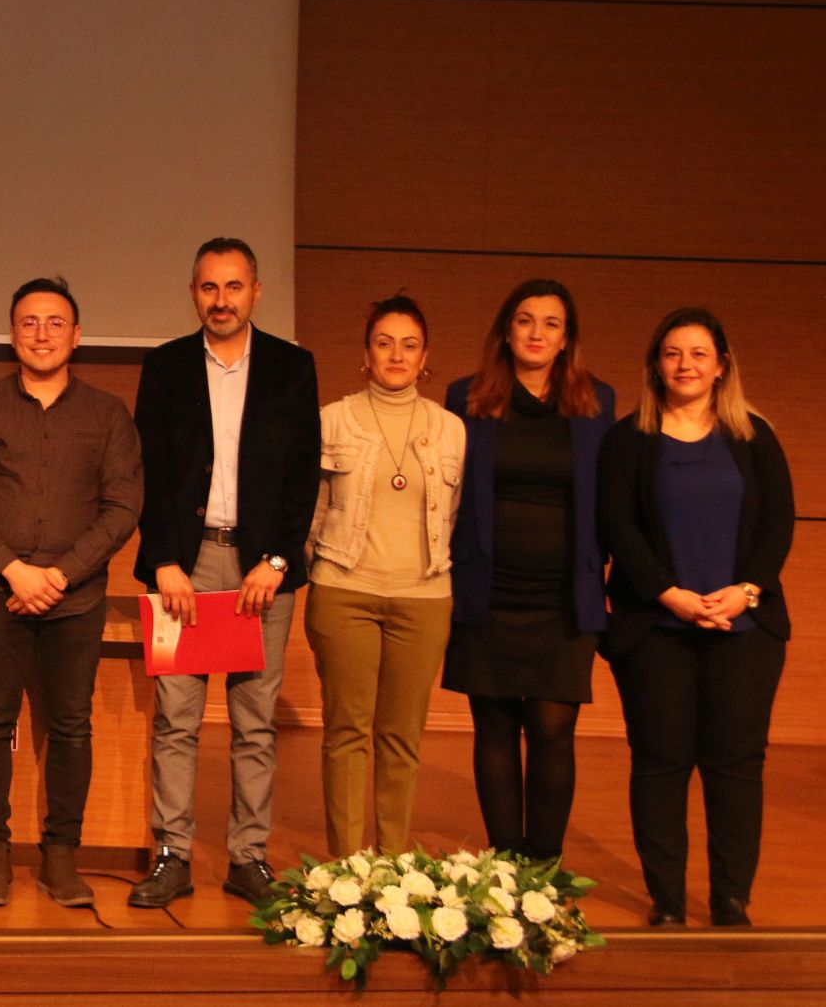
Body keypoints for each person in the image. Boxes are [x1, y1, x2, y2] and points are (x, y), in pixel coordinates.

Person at [130, 237, 319, 909]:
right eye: (209, 287)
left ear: (256, 292)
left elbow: (302, 475)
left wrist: (277, 560)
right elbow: (146, 472)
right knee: (176, 720)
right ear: (193, 293)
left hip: (260, 571)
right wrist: (163, 560)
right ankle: (172, 855)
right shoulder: (166, 366)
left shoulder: (293, 368)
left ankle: (248, 858)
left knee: (255, 722)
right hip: (184, 567)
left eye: (233, 286)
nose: (221, 300)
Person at [0, 277, 141, 908]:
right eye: (29, 322)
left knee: (72, 726)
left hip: (74, 599)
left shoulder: (108, 414)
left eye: (55, 323)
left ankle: (61, 857)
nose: (42, 334)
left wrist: (60, 574)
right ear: (12, 334)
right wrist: (12, 569)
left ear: (77, 336)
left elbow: (123, 506)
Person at [600, 308, 794, 928]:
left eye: (698, 354)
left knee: (735, 764)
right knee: (661, 761)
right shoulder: (628, 438)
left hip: (744, 629)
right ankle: (668, 902)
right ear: (656, 365)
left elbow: (777, 523)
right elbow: (617, 525)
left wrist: (747, 590)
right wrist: (668, 594)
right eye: (673, 353)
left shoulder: (754, 436)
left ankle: (731, 900)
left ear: (721, 367)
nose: (685, 365)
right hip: (656, 628)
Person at [440, 278, 614, 862]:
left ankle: (543, 869)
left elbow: (610, 498)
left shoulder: (598, 402)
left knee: (552, 730)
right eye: (525, 320)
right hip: (486, 592)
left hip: (564, 597)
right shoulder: (466, 397)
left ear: (567, 339)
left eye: (551, 323)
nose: (537, 333)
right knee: (493, 729)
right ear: (506, 331)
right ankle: (504, 868)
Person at [303, 295, 464, 859]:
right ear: (366, 354)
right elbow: (310, 512)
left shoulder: (451, 430)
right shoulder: (331, 420)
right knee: (346, 733)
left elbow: (454, 515)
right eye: (384, 343)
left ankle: (394, 867)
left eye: (409, 345)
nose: (397, 354)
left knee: (401, 738)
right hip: (344, 591)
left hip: (424, 598)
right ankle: (346, 867)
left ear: (425, 357)